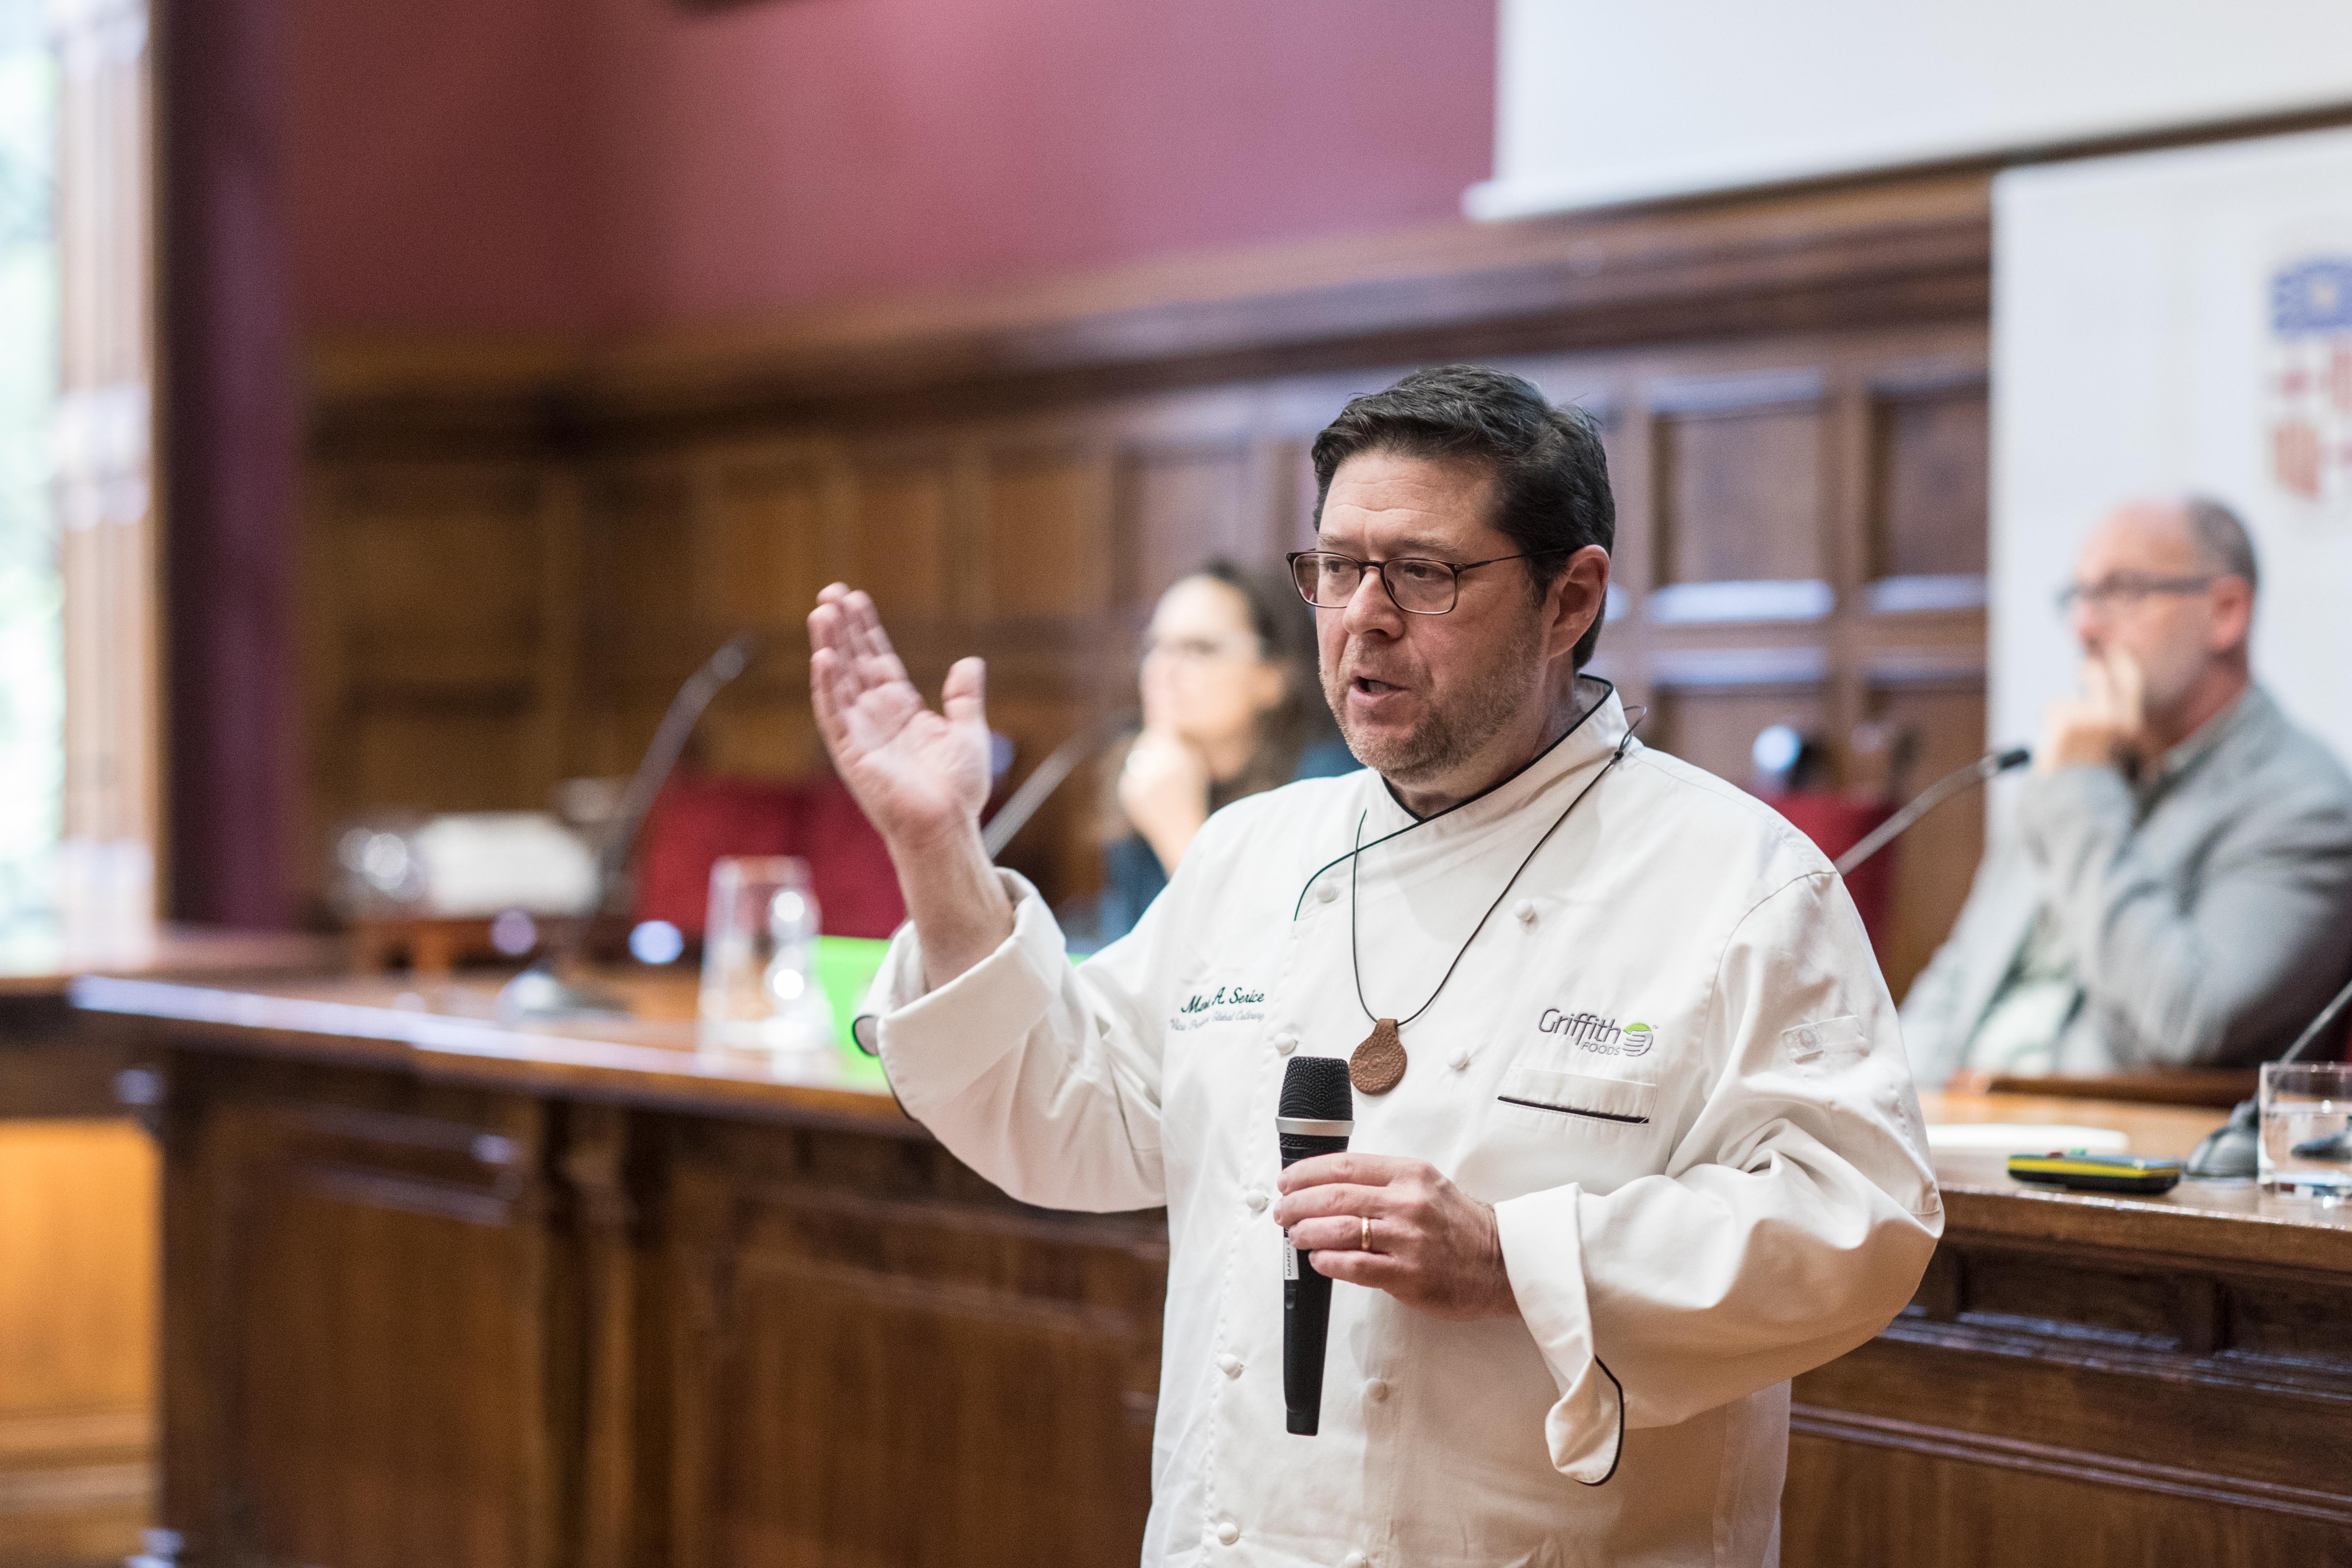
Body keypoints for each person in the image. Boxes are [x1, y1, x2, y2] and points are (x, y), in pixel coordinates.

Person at [808, 365, 1938, 1566]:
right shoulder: (1256, 851)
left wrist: (1515, 1256)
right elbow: (1062, 1113)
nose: (1364, 617)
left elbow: (1853, 1221)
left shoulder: (1737, 877)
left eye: (1425, 573)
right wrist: (937, 852)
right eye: (1337, 568)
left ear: (1572, 599)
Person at [1903, 496, 2352, 1085]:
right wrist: (1887, 1110)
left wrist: (2081, 798)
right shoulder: (2076, 764)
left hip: (2108, 1150)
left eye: (2123, 591)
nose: (2084, 626)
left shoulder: (2305, 805)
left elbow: (2187, 1022)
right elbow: (1958, 979)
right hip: (1962, 1125)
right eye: (2079, 596)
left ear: (2225, 611)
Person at [1092, 560, 1356, 945]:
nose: (1161, 670)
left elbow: (1275, 966)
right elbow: (1130, 960)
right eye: (1155, 647)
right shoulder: (1148, 770)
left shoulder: (1329, 786)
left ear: (1274, 676)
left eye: (1199, 648)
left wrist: (1180, 834)